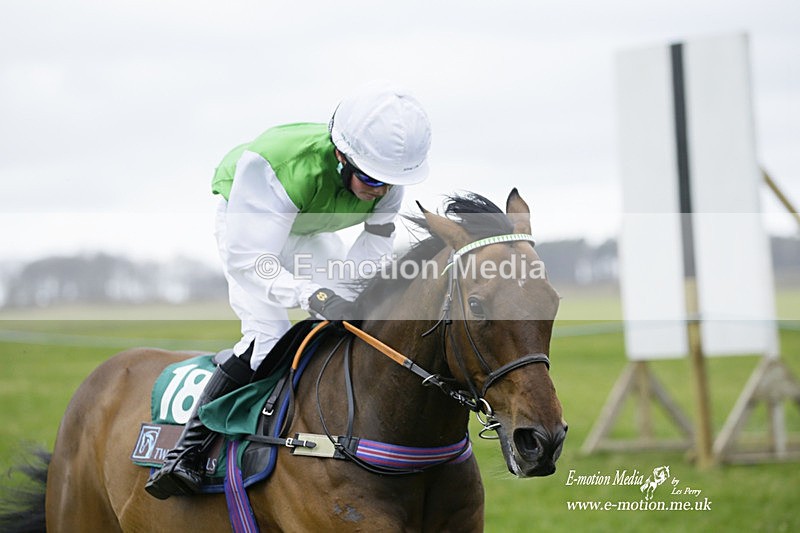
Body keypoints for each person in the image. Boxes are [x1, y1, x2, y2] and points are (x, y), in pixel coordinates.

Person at [145, 80, 432, 499]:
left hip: (309, 230)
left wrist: (345, 297)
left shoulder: (389, 172)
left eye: (388, 183)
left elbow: (375, 242)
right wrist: (310, 295)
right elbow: (251, 261)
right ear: (341, 155)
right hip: (252, 227)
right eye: (370, 178)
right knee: (267, 338)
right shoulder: (278, 168)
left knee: (351, 321)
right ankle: (186, 453)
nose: (379, 190)